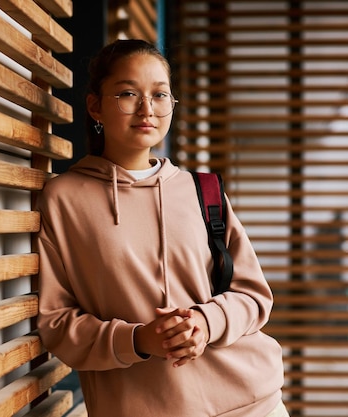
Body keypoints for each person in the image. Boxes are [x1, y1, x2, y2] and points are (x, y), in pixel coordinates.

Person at [36, 39, 288, 417]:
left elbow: (255, 297)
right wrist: (137, 339)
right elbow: (56, 323)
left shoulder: (203, 190)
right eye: (126, 94)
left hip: (253, 403)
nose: (146, 109)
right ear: (95, 106)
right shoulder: (63, 199)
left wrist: (206, 322)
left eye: (159, 95)